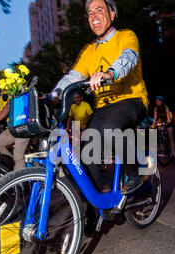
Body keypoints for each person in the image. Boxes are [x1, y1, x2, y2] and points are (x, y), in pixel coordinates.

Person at [51, 0, 149, 194]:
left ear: (112, 15)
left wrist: (110, 73)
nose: (93, 16)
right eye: (89, 13)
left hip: (131, 99)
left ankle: (137, 170)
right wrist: (54, 94)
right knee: (86, 152)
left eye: (99, 10)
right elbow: (73, 76)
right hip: (103, 108)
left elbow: (128, 57)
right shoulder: (88, 51)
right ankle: (98, 204)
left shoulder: (125, 36)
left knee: (108, 129)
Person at [0, 70, 30, 170]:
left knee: (18, 155)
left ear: (2, 80)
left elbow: (8, 107)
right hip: (12, 127)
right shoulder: (2, 95)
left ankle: (21, 182)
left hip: (21, 124)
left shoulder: (12, 89)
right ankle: (16, 167)